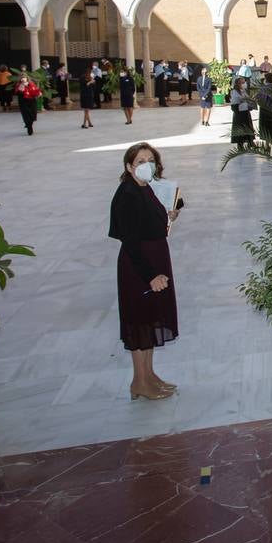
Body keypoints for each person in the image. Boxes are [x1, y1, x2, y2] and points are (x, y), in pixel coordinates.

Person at [108, 142, 180, 401]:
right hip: (138, 266)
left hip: (156, 257)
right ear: (129, 167)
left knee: (151, 319)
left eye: (150, 160)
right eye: (140, 161)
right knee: (139, 323)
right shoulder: (127, 194)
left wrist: (171, 214)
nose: (146, 165)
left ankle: (150, 376)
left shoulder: (147, 187)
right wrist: (151, 274)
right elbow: (130, 242)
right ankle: (139, 381)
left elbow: (163, 211)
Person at [229, 77, 255, 147]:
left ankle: (250, 142)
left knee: (248, 127)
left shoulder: (243, 91)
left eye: (244, 82)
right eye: (243, 83)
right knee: (240, 128)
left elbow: (247, 99)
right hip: (239, 114)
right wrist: (245, 104)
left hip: (245, 113)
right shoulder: (234, 92)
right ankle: (240, 144)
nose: (245, 84)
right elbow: (235, 105)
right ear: (238, 84)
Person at [256, 72, 272, 141]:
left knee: (265, 127)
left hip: (264, 110)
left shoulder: (263, 88)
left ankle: (267, 144)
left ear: (266, 80)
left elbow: (259, 98)